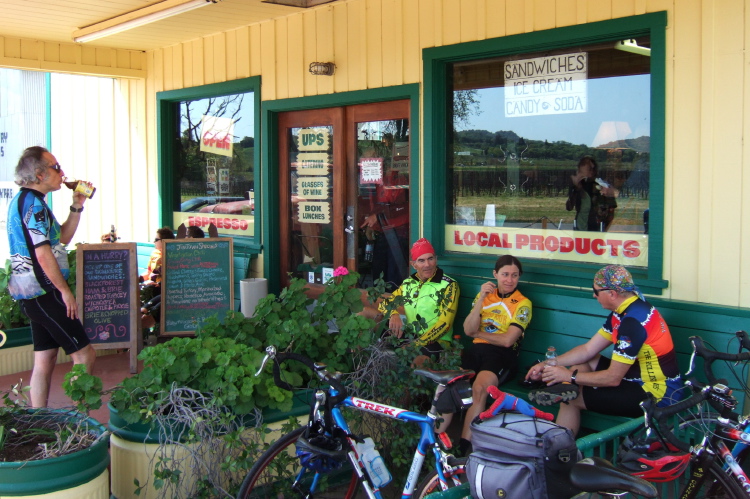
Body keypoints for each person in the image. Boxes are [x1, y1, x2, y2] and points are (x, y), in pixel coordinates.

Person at [525, 265, 682, 436]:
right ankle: (565, 388)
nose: (593, 295)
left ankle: (560, 451)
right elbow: (588, 350)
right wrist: (548, 364)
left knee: (571, 400)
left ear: (612, 294)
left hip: (658, 394)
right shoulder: (625, 310)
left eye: (596, 291)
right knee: (584, 362)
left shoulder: (632, 323)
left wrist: (568, 376)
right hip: (636, 376)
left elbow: (613, 378)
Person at [6, 146, 96, 408]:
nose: (62, 172)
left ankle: (38, 420)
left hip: (31, 294)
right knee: (85, 355)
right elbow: (43, 253)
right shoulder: (33, 205)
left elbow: (62, 238)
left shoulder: (29, 202)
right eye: (56, 167)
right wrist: (64, 291)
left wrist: (77, 205)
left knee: (45, 359)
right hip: (45, 292)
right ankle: (80, 422)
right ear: (38, 174)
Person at [437, 255, 532, 456]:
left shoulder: (523, 303)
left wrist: (480, 334)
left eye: (514, 276)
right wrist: (480, 298)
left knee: (479, 389)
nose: (509, 280)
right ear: (495, 274)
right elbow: (467, 328)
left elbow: (508, 340)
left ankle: (463, 447)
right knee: (451, 384)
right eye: (505, 274)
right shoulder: (485, 297)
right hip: (476, 351)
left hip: (502, 355)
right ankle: (436, 441)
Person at [376, 238, 459, 359]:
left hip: (435, 342)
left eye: (430, 259)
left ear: (436, 260)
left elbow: (444, 324)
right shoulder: (409, 283)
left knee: (418, 363)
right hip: (410, 335)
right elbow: (386, 303)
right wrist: (393, 314)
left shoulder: (449, 285)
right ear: (413, 264)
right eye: (421, 260)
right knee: (366, 315)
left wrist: (415, 345)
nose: (427, 264)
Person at [565, 156, 618, 232]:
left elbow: (611, 213)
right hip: (580, 228)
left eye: (593, 168)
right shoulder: (578, 186)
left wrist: (605, 229)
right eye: (589, 168)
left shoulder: (603, 186)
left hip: (596, 229)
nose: (591, 171)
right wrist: (576, 189)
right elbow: (569, 207)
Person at [140, 227, 176, 328]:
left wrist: (153, 281)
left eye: (156, 240)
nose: (153, 242)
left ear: (164, 241)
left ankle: (142, 325)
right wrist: (139, 280)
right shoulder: (154, 254)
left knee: (158, 299)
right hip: (152, 286)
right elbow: (149, 272)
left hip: (163, 287)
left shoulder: (173, 256)